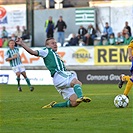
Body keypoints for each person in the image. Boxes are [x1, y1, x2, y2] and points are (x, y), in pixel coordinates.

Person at [15, 37, 91, 108]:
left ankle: (53, 106)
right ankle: (81, 97)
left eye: (55, 43)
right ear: (47, 45)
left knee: (74, 103)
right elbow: (33, 52)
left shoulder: (56, 54)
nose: (55, 44)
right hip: (59, 75)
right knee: (77, 82)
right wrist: (22, 44)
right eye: (52, 43)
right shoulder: (46, 51)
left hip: (59, 79)